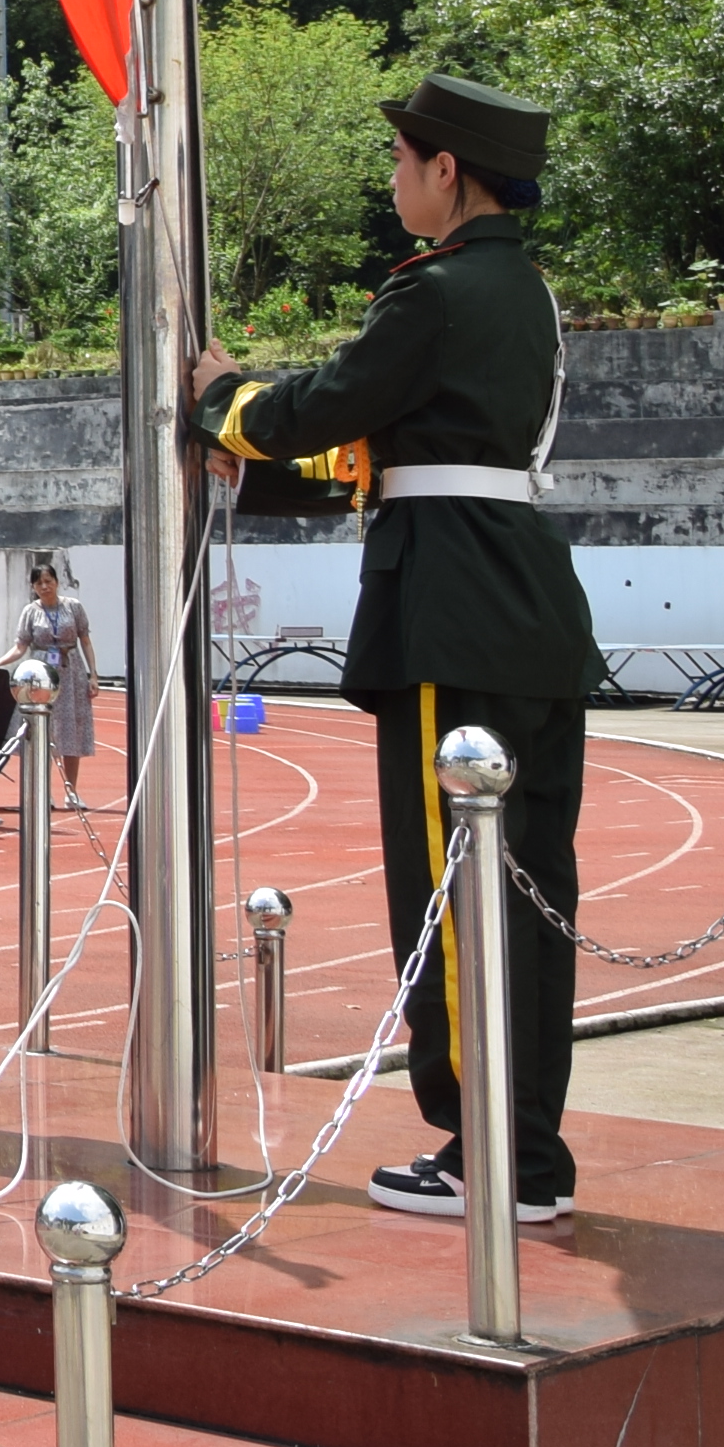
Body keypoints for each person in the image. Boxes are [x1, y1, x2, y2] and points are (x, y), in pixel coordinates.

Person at [190, 71, 598, 1226]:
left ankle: (485, 1157)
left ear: (445, 174)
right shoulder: (522, 293)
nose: (391, 183)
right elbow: (394, 443)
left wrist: (224, 401)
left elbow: (328, 405)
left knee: (452, 891)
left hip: (447, 608)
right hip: (521, 599)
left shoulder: (432, 292)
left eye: (400, 163)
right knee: (525, 896)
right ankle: (527, 1150)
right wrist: (270, 452)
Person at [17, 559, 97, 810]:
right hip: (41, 673)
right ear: (33, 586)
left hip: (71, 671)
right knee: (43, 730)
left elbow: (84, 640)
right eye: (39, 583)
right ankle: (43, 791)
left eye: (48, 581)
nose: (44, 586)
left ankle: (71, 791)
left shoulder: (73, 607)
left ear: (57, 582)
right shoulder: (30, 611)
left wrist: (93, 674)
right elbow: (20, 645)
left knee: (72, 728)